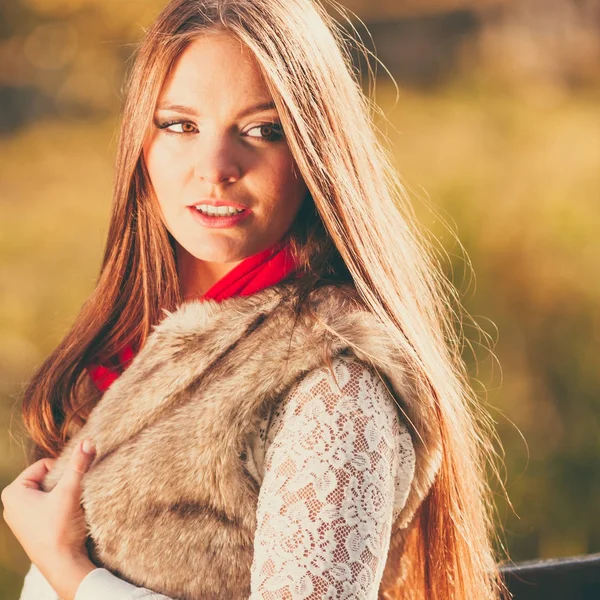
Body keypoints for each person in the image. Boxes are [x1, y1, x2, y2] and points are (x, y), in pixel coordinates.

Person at [1, 0, 509, 598]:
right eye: (180, 125)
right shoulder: (138, 335)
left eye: (262, 131)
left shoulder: (337, 379)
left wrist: (69, 571)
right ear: (141, 141)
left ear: (314, 156)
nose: (214, 168)